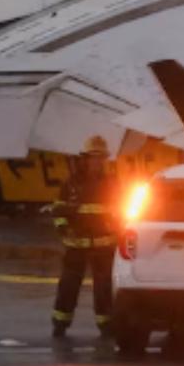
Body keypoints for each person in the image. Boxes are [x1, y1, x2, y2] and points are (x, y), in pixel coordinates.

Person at [50, 136, 120, 338]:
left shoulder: (112, 184)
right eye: (94, 157)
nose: (98, 162)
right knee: (68, 286)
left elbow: (123, 212)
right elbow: (58, 210)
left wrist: (117, 230)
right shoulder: (71, 184)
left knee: (104, 287)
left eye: (101, 158)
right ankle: (60, 323)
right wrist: (64, 230)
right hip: (76, 246)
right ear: (85, 159)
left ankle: (106, 325)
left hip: (104, 245)